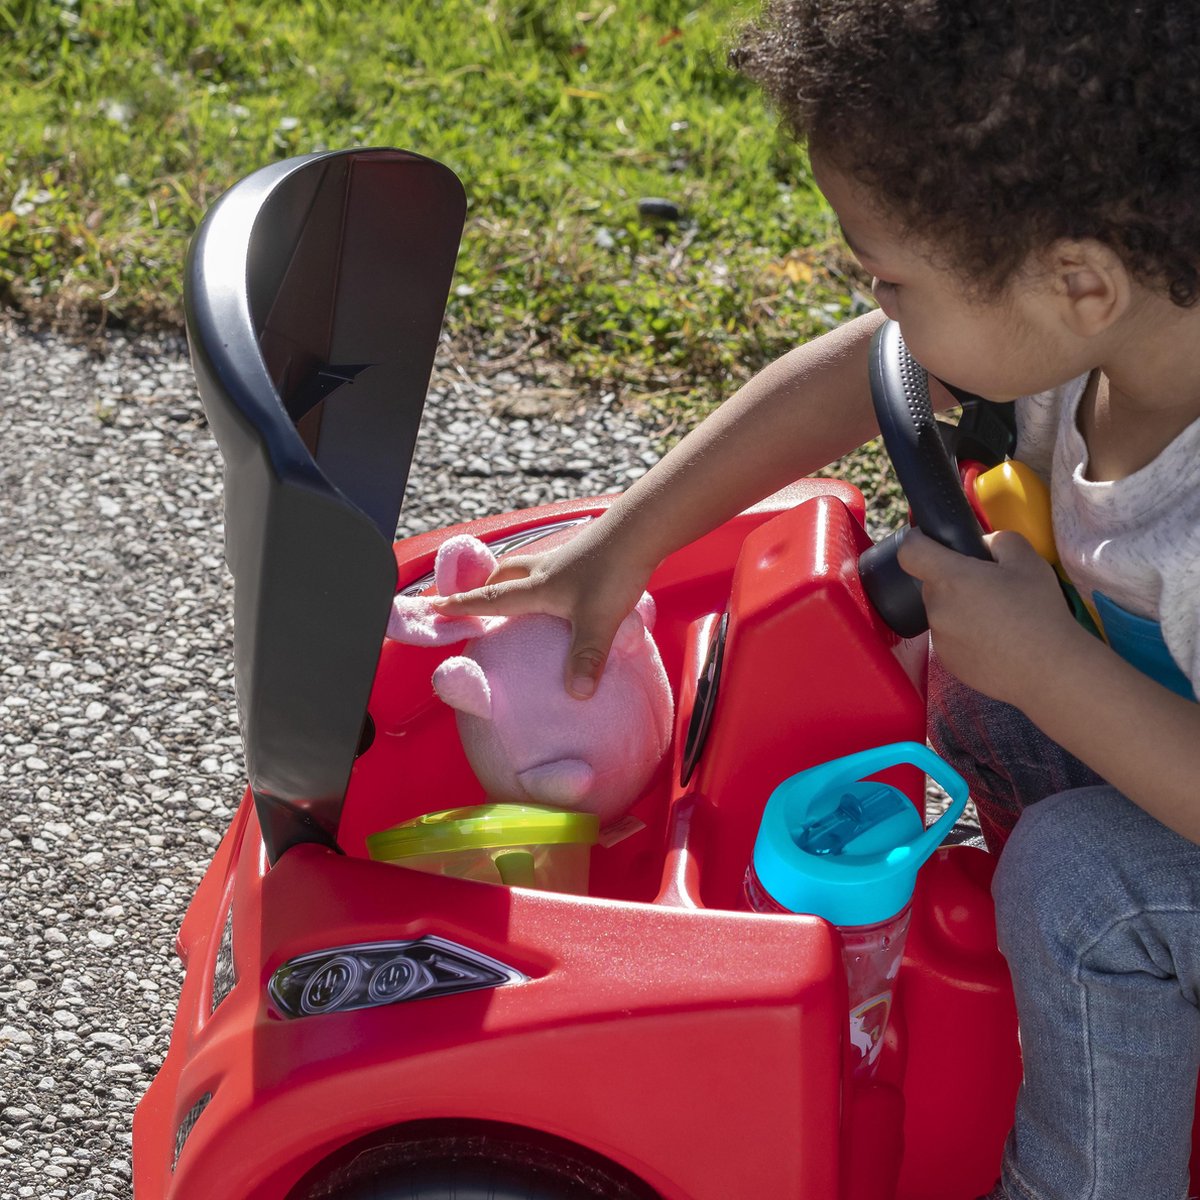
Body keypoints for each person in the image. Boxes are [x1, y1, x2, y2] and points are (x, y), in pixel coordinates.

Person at [433, 3, 1200, 1196]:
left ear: (1080, 281)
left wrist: (1052, 668)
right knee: (967, 663)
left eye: (890, 278)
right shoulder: (1102, 333)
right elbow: (870, 371)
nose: (881, 309)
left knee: (1082, 886)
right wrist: (627, 540)